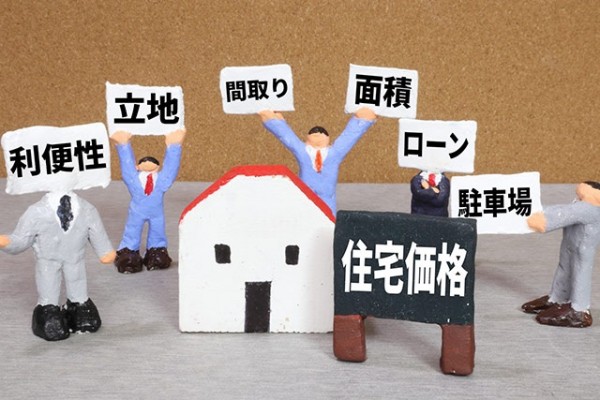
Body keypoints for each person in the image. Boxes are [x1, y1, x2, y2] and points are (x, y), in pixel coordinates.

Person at [0, 192, 115, 341]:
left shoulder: (87, 209)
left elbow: (96, 229)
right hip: (48, 259)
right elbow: (22, 238)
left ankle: (80, 309)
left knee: (77, 280)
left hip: (75, 257)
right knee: (48, 284)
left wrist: (104, 250)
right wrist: (8, 242)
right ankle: (48, 312)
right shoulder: (36, 212)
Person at [258, 108, 376, 214]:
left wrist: (363, 120)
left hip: (327, 197)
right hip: (305, 196)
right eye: (314, 132)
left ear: (328, 139)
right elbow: (288, 138)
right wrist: (273, 121)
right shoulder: (303, 151)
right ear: (307, 138)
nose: (318, 133)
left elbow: (348, 139)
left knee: (328, 221)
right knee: (305, 218)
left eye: (323, 133)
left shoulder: (334, 154)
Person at [522, 181, 600, 327]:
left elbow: (565, 213)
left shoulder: (588, 208)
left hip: (581, 249)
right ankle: (559, 297)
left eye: (584, 189)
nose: (579, 190)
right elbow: (564, 208)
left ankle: (579, 309)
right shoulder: (581, 204)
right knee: (564, 269)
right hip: (570, 244)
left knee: (580, 274)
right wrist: (537, 210)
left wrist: (542, 220)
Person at [111, 128, 185, 273]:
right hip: (137, 212)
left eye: (152, 163)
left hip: (156, 213)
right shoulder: (134, 179)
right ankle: (129, 254)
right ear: (138, 166)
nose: (148, 162)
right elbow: (127, 168)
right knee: (132, 231)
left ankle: (156, 253)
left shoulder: (161, 181)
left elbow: (170, 170)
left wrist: (174, 146)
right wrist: (123, 145)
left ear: (158, 167)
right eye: (145, 162)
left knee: (157, 232)